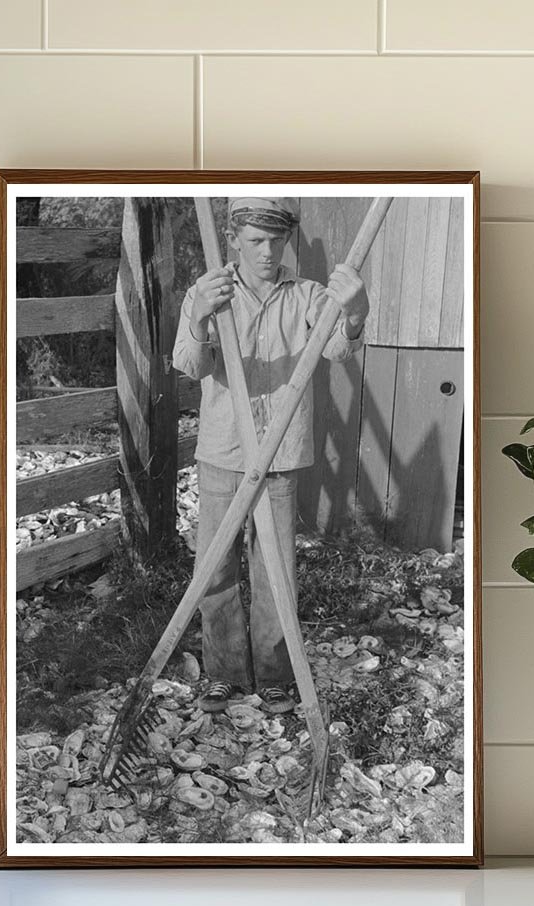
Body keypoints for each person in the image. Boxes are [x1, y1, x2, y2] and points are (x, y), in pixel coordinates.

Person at [172, 197, 370, 714]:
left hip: (280, 453)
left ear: (287, 240)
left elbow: (337, 350)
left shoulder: (306, 295)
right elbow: (190, 365)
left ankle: (277, 675)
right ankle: (224, 673)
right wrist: (198, 319)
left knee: (276, 570)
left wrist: (354, 313)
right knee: (213, 568)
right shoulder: (208, 291)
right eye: (255, 240)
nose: (265, 251)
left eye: (274, 240)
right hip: (223, 449)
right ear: (234, 238)